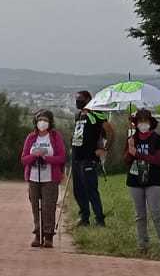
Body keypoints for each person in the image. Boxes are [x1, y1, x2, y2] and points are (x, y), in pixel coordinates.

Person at [123, 108, 160, 256]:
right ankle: (142, 244)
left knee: (157, 213)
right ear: (136, 123)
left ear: (150, 123)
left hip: (153, 180)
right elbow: (126, 160)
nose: (142, 124)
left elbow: (158, 160)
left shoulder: (157, 139)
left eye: (145, 121)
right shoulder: (132, 139)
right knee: (140, 215)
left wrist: (137, 153)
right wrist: (130, 150)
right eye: (140, 122)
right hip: (135, 180)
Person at [21, 109, 66, 248]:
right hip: (34, 178)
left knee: (48, 207)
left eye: (45, 120)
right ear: (36, 122)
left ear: (50, 122)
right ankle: (37, 233)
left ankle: (48, 235)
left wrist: (47, 158)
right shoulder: (31, 137)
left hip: (50, 178)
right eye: (40, 120)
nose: (42, 123)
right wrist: (35, 156)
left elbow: (62, 157)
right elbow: (23, 159)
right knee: (36, 206)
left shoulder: (55, 137)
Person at [69, 90, 112, 228]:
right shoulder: (78, 115)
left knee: (91, 190)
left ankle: (100, 219)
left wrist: (105, 149)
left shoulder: (97, 115)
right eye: (76, 98)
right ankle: (84, 217)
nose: (78, 101)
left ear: (88, 99)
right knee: (78, 190)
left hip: (89, 158)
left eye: (80, 98)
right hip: (76, 157)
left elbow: (110, 131)